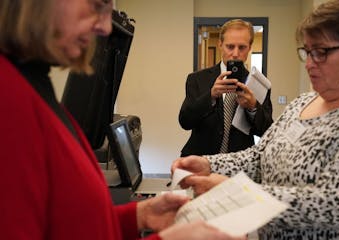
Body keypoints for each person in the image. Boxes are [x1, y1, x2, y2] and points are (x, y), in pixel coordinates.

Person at [0, 1, 244, 240]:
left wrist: (137, 216)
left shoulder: (32, 83)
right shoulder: (8, 98)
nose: (106, 28)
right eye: (97, 5)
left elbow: (67, 225)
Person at [172, 0, 339, 239]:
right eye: (308, 52)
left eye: (321, 52)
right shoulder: (301, 104)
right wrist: (210, 164)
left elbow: (331, 203)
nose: (310, 64)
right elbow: (260, 155)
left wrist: (238, 192)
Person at [179, 19, 273, 157]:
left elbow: (268, 132)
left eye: (242, 47)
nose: (235, 53)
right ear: (220, 45)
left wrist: (253, 107)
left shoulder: (259, 84)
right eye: (230, 46)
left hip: (239, 164)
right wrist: (210, 96)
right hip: (199, 159)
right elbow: (185, 121)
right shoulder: (197, 79)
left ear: (250, 47)